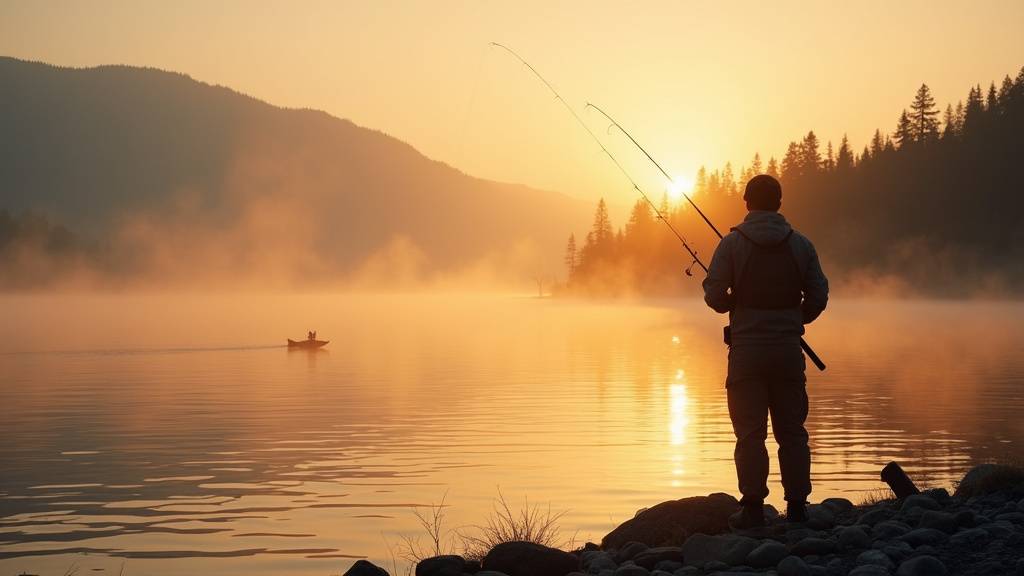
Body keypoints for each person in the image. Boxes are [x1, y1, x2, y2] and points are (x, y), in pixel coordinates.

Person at [702, 174, 829, 528]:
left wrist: (733, 303)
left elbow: (714, 294)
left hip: (746, 352)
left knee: (750, 434)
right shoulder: (801, 245)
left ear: (746, 202)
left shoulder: (731, 244)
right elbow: (819, 295)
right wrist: (796, 318)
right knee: (793, 432)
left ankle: (753, 509)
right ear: (779, 203)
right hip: (788, 350)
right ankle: (798, 507)